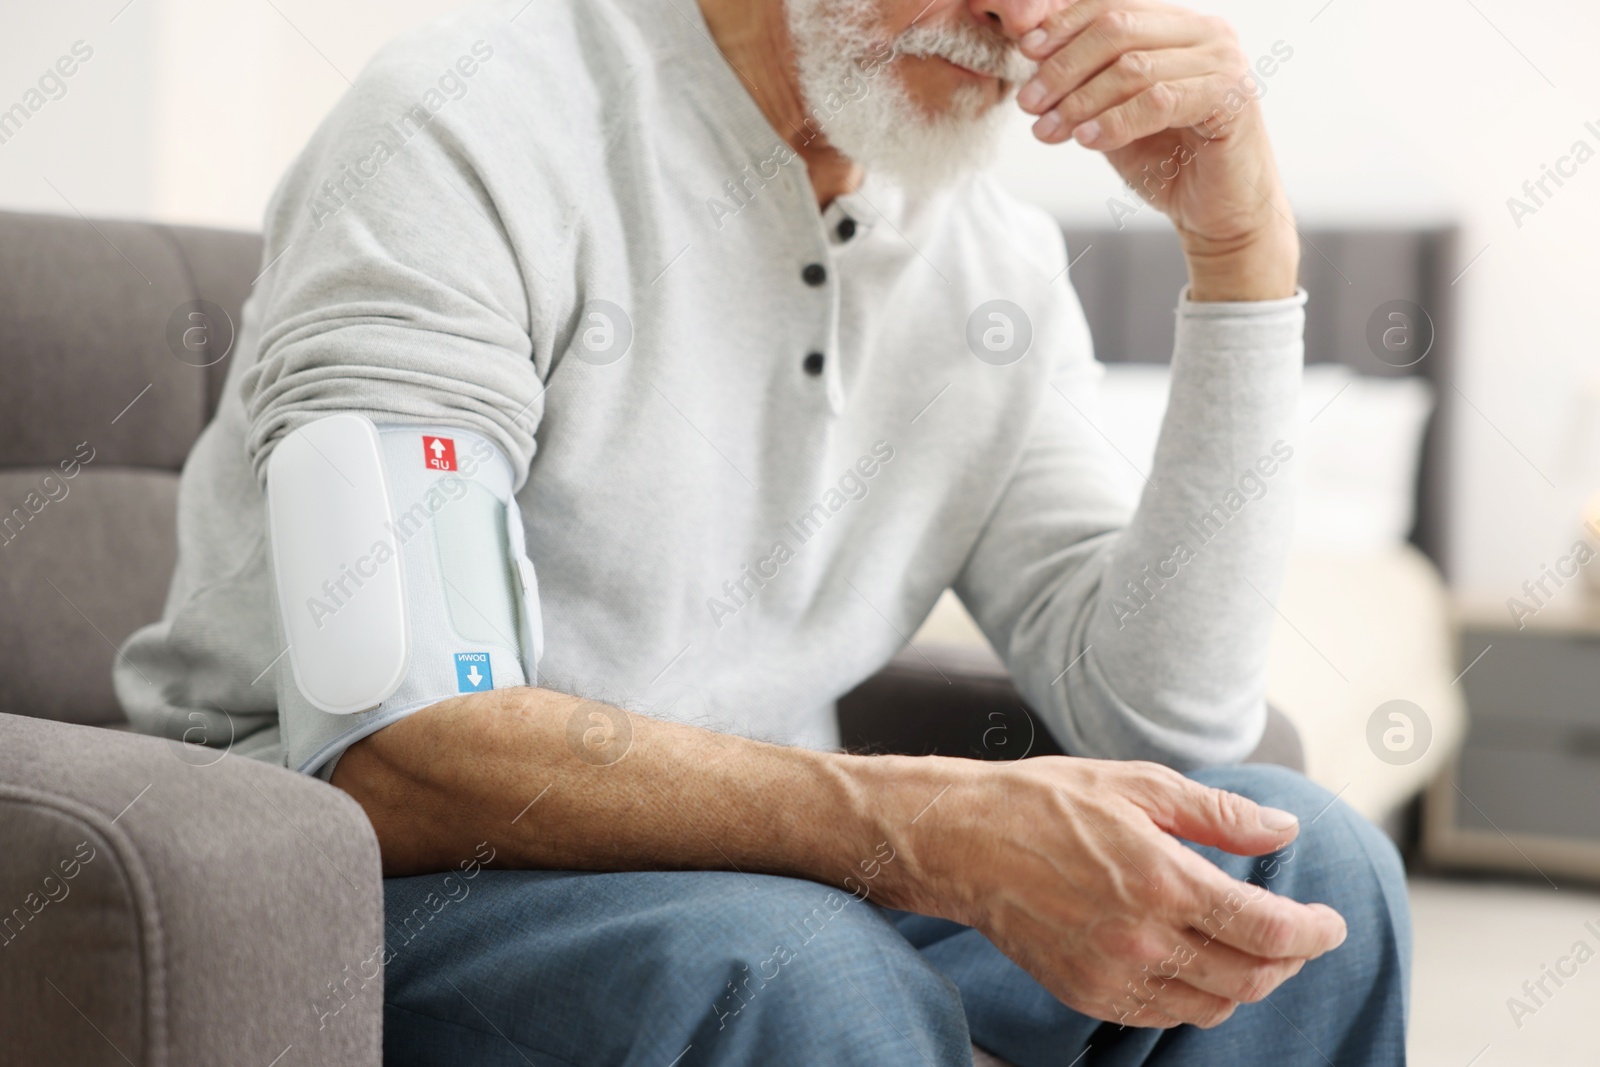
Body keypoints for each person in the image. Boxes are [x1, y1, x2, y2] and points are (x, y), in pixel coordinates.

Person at [116, 0, 1410, 1063]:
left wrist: (1241, 252)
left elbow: (1168, 724)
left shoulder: (993, 269)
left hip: (771, 873)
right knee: (805, 971)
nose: (1012, 19)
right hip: (381, 877)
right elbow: (401, 748)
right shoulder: (467, 126)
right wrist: (933, 831)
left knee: (1305, 865)